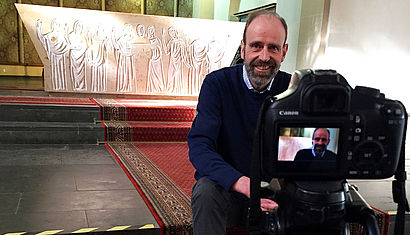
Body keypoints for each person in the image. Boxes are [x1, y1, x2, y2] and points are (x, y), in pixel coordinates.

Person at [187, 10, 290, 235]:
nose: (264, 56)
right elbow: (200, 146)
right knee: (205, 190)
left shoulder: (294, 89)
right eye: (256, 46)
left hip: (273, 191)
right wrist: (240, 182)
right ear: (243, 49)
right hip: (228, 188)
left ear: (284, 52)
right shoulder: (217, 84)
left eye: (273, 47)